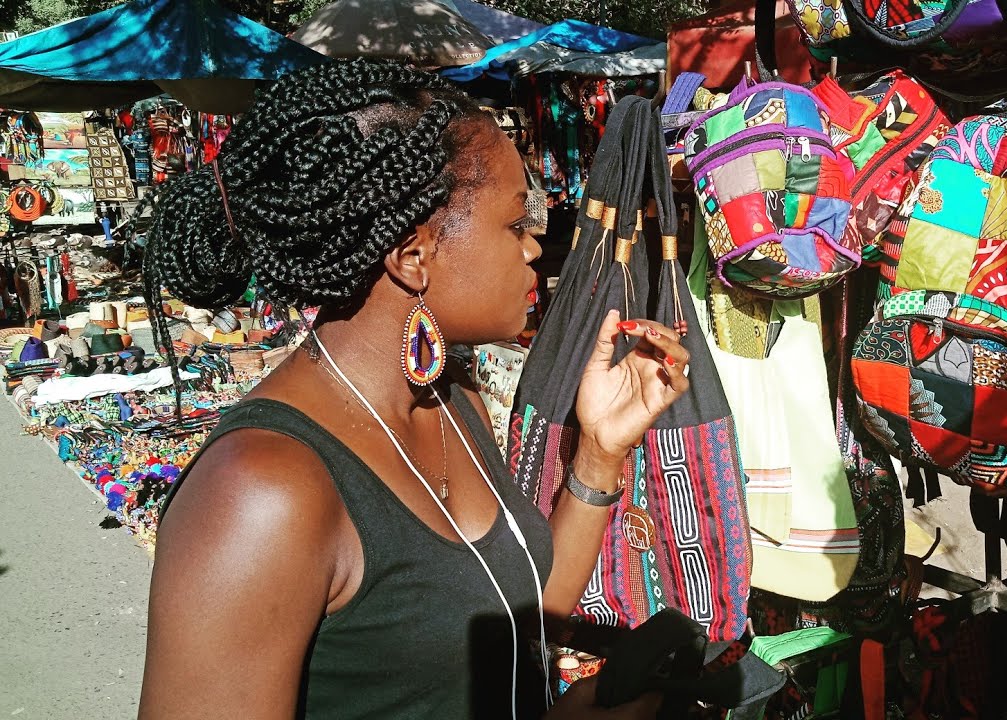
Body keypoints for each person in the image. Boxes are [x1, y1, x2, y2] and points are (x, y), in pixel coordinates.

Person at [138, 60, 690, 719]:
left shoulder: (453, 402)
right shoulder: (261, 491)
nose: (534, 249)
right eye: (515, 224)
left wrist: (600, 451)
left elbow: (513, 621)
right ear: (412, 255)